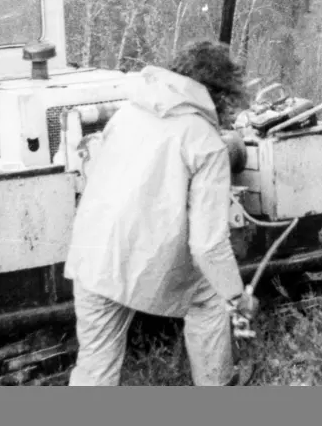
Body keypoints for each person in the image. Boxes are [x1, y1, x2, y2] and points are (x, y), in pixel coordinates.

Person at [64, 39, 258, 386]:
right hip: (144, 262)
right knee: (210, 299)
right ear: (221, 91)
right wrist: (237, 296)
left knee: (95, 366)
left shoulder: (127, 113)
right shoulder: (205, 141)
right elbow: (207, 246)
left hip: (92, 254)